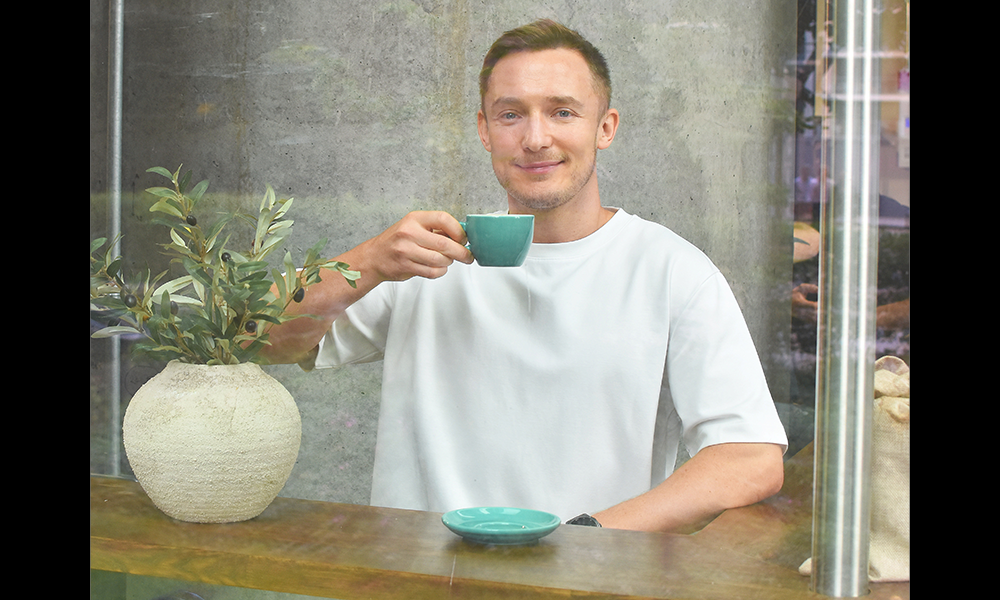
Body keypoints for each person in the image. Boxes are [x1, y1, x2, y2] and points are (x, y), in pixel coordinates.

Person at [261, 19, 787, 533]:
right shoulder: (423, 261)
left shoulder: (671, 271)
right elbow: (260, 339)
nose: (536, 138)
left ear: (605, 127)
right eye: (511, 115)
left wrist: (579, 538)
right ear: (484, 130)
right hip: (417, 584)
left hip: (587, 585)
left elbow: (749, 456)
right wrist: (369, 260)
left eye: (562, 111)